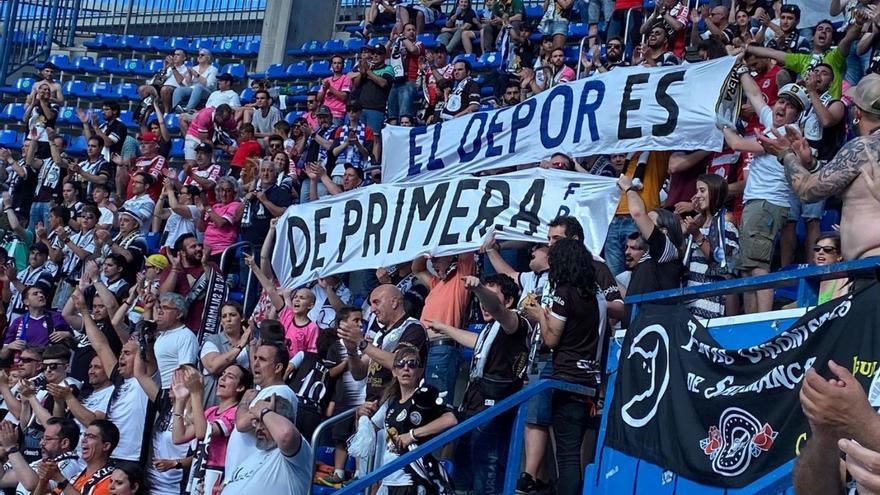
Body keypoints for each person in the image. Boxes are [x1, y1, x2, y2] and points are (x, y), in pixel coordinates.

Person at [759, 75, 880, 266]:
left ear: (857, 112)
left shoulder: (862, 148)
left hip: (872, 269)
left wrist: (785, 154)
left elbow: (808, 191)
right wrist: (811, 164)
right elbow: (852, 181)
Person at [428, 274, 529, 495]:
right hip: (473, 406)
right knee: (462, 477)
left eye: (489, 297)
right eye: (481, 299)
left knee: (487, 476)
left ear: (509, 301)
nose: (483, 304)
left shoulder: (514, 322)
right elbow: (476, 342)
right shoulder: (489, 330)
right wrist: (444, 328)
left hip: (493, 410)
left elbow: (498, 310)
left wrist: (480, 289)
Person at [720, 64, 809, 314]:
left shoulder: (785, 134)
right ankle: (751, 319)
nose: (782, 106)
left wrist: (721, 121)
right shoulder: (774, 122)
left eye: (790, 105)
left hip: (766, 204)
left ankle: (762, 319)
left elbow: (737, 143)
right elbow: (756, 96)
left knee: (758, 266)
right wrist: (741, 69)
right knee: (748, 266)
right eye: (781, 100)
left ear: (797, 115)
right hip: (757, 203)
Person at [523, 238, 605, 495]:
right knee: (580, 455)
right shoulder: (597, 293)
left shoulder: (563, 294)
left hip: (567, 380)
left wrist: (538, 316)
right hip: (590, 382)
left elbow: (551, 339)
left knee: (568, 459)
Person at [223, 341, 298, 482]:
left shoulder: (280, 392)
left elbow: (242, 424)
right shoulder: (262, 391)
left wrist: (244, 402)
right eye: (255, 358)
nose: (255, 364)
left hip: (253, 480)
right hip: (238, 478)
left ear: (278, 368)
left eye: (262, 359)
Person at [616, 173, 684, 319]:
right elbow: (631, 297)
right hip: (635, 330)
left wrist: (629, 188)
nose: (641, 226)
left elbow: (637, 213)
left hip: (652, 330)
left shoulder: (667, 250)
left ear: (663, 231)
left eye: (649, 220)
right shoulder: (647, 258)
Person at [744, 19, 863, 99]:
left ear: (832, 40)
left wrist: (858, 24)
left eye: (828, 30)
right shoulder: (802, 59)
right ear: (813, 37)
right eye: (820, 29)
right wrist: (746, 48)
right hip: (805, 111)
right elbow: (772, 53)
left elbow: (848, 39)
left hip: (828, 108)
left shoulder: (835, 56)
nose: (823, 31)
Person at [221, 395, 312, 495]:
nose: (259, 427)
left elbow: (286, 435)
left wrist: (264, 411)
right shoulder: (255, 455)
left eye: (264, 421)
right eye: (257, 421)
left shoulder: (297, 455)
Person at [681, 174, 740, 319]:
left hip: (713, 296)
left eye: (702, 190)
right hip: (690, 294)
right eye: (697, 191)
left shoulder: (726, 219)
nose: (697, 195)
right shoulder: (698, 222)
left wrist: (697, 236)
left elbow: (721, 259)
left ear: (715, 191)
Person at [0, 417, 83, 494]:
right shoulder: (40, 461)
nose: (41, 443)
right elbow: (2, 479)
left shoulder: (71, 464)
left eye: (48, 439)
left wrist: (11, 448)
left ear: (64, 443)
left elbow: (32, 485)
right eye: (42, 438)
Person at [39, 419, 118, 494]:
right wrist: (44, 479)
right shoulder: (76, 477)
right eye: (85, 435)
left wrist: (59, 478)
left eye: (91, 436)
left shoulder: (111, 480)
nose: (84, 440)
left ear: (106, 446)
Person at [199, 301, 252, 406]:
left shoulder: (251, 345)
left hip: (239, 407)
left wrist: (252, 344)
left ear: (241, 318)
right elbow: (213, 366)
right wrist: (240, 345)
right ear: (221, 321)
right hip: (210, 405)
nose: (228, 319)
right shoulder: (213, 340)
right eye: (224, 316)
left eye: (232, 315)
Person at [148, 292, 198, 390]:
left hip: (174, 391)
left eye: (165, 308)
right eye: (159, 307)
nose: (160, 312)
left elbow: (187, 371)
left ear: (179, 314)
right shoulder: (161, 335)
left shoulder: (185, 336)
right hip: (158, 390)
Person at [387, 23, 426, 125]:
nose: (412, 32)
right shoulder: (397, 45)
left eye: (413, 29)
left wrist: (401, 36)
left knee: (404, 115)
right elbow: (385, 54)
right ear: (404, 32)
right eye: (408, 30)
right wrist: (391, 40)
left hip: (411, 82)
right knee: (392, 116)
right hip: (396, 82)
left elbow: (413, 50)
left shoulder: (419, 44)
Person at [172, 48, 218, 113]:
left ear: (208, 58)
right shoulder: (194, 68)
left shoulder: (213, 70)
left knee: (198, 87)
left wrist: (197, 75)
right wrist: (189, 76)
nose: (199, 56)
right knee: (179, 90)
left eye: (202, 55)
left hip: (207, 92)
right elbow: (186, 84)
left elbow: (209, 85)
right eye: (199, 55)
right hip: (193, 89)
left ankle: (187, 109)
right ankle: (176, 110)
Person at [319, 55, 353, 125]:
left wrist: (330, 88)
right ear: (331, 65)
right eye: (334, 63)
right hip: (324, 113)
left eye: (339, 63)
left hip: (337, 114)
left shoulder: (346, 79)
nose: (336, 65)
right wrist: (324, 89)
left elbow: (344, 96)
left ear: (343, 65)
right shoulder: (326, 80)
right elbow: (319, 98)